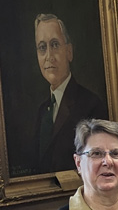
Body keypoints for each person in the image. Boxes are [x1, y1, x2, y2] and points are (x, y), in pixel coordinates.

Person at [33, 13, 107, 176]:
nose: (49, 57)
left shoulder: (91, 105)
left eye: (54, 45)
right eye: (42, 48)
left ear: (69, 51)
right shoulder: (42, 111)